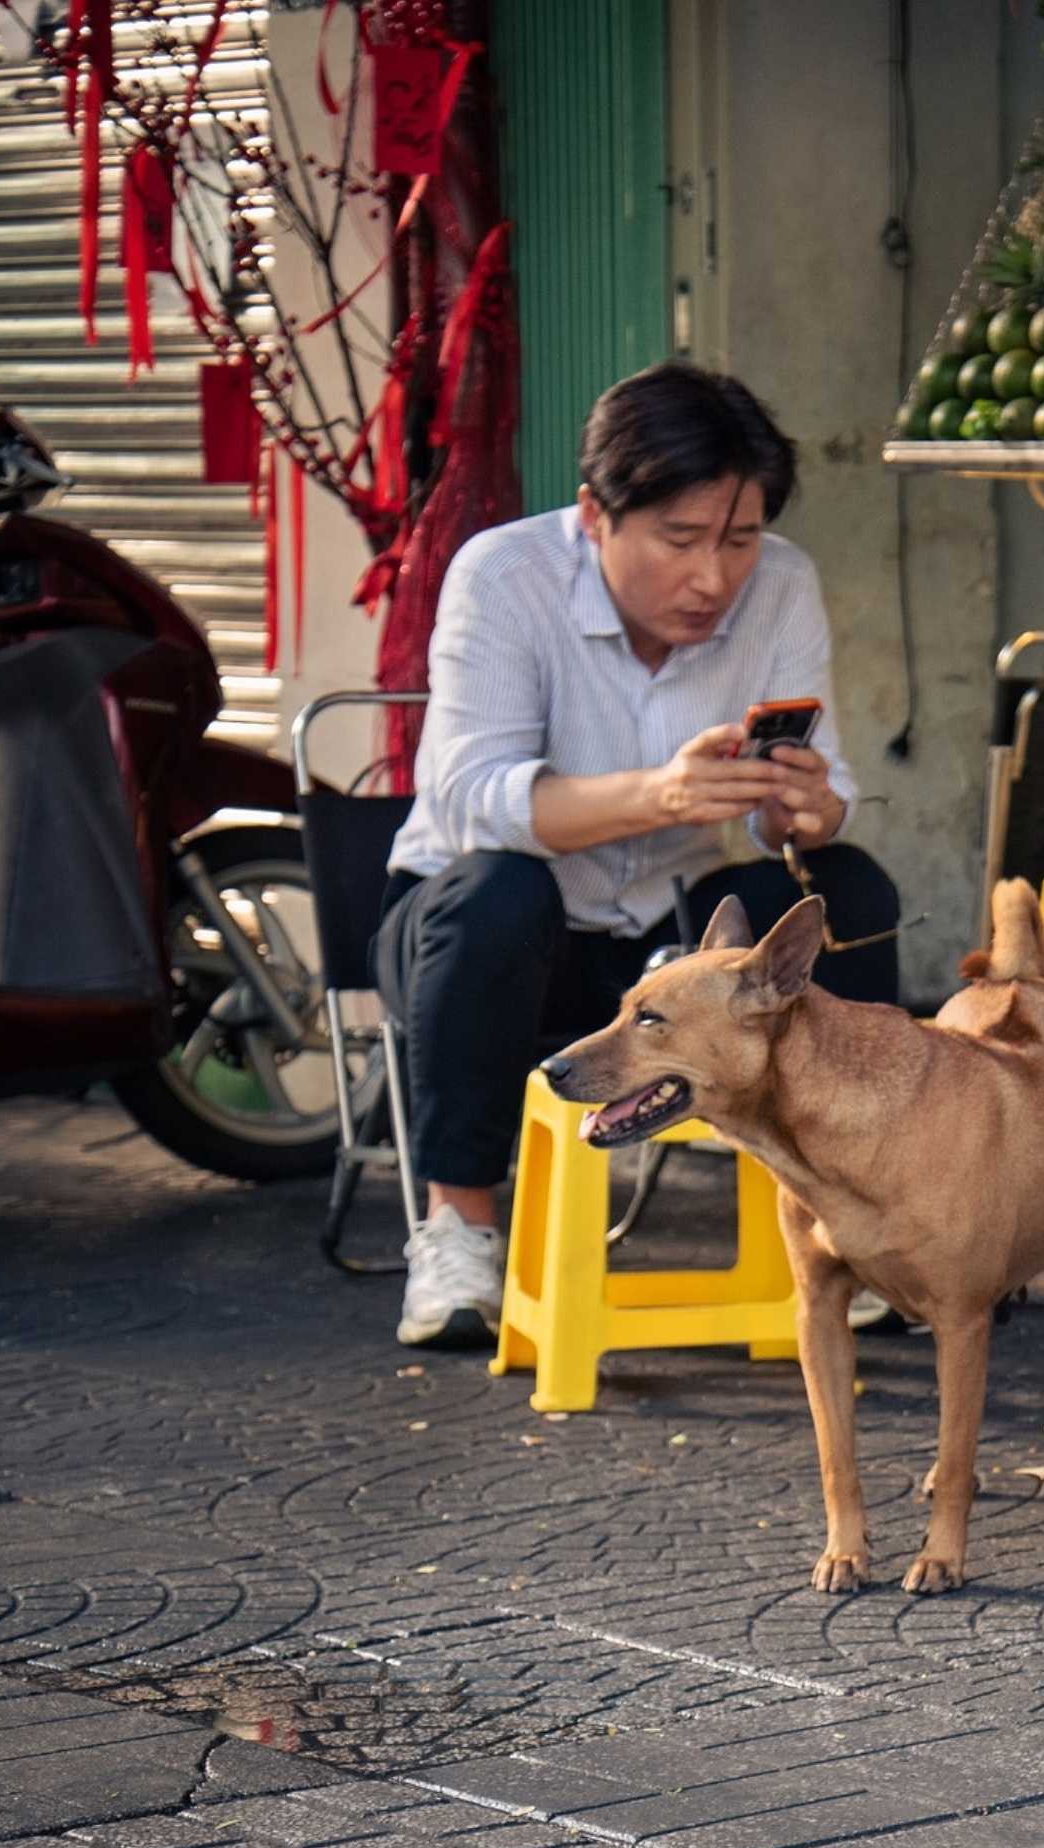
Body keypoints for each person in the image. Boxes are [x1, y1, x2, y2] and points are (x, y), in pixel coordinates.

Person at [377, 363, 901, 1347]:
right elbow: (468, 798)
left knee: (848, 886)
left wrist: (806, 809)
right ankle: (458, 1231)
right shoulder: (502, 576)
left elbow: (808, 795)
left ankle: (860, 1219)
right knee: (499, 892)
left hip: (669, 942)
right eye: (681, 539)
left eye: (738, 540)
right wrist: (657, 794)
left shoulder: (781, 585)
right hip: (476, 950)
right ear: (594, 517)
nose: (713, 578)